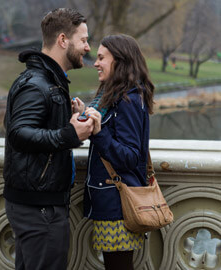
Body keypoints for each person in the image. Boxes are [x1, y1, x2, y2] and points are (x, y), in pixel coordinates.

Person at [3, 8, 93, 270]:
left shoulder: (49, 81)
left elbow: (36, 128)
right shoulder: (36, 83)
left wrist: (73, 121)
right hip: (38, 208)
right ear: (63, 40)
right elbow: (18, 133)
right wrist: (69, 134)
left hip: (41, 205)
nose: (87, 47)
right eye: (84, 39)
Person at [83, 34, 155, 270]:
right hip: (111, 202)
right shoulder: (118, 97)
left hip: (118, 205)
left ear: (120, 61)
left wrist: (99, 131)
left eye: (101, 57)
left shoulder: (128, 100)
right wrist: (87, 114)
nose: (95, 63)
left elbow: (131, 156)